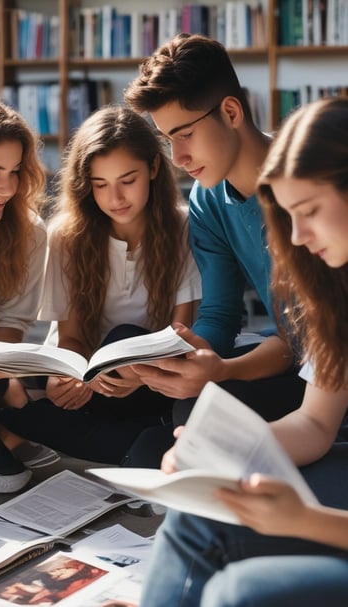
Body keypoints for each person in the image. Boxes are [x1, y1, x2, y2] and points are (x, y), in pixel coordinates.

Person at [139, 96, 348, 607]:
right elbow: (316, 424)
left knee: (238, 593)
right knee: (202, 509)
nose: (297, 237)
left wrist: (305, 521)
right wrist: (224, 453)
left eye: (310, 212)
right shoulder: (337, 295)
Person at [0, 104, 201, 465]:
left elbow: (183, 331)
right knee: (16, 406)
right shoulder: (67, 236)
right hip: (90, 377)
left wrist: (143, 376)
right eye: (100, 185)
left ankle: (132, 439)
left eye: (128, 180)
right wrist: (76, 377)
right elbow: (71, 337)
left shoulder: (183, 226)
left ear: (153, 168)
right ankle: (142, 441)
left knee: (124, 338)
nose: (115, 199)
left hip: (156, 376)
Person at [124, 33, 306, 428]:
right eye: (167, 140)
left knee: (201, 416)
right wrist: (194, 352)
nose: (177, 158)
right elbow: (221, 314)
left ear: (231, 112)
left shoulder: (308, 185)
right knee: (188, 408)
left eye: (185, 134)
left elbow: (306, 337)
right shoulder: (207, 200)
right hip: (289, 357)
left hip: (329, 363)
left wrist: (222, 371)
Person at [0, 91, 49, 492]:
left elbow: (12, 320)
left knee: (23, 400)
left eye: (16, 170)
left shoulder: (30, 234)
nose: (8, 187)